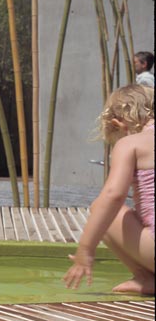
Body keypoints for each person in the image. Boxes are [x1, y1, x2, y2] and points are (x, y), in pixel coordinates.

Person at [63, 83, 154, 296]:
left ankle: (145, 277)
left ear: (118, 122)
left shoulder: (131, 144)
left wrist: (85, 250)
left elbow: (113, 196)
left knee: (102, 208)